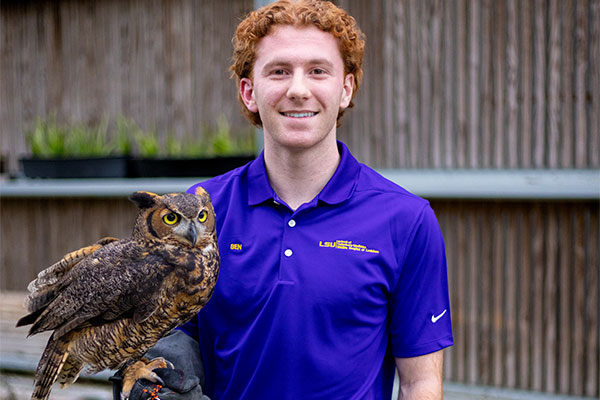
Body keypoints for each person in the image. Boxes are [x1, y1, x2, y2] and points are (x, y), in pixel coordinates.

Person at [119, 0, 453, 399]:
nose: (298, 90)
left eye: (317, 71)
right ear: (249, 92)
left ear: (345, 88)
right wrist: (149, 373)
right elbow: (170, 335)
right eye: (279, 71)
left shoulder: (406, 220)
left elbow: (421, 382)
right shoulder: (200, 211)